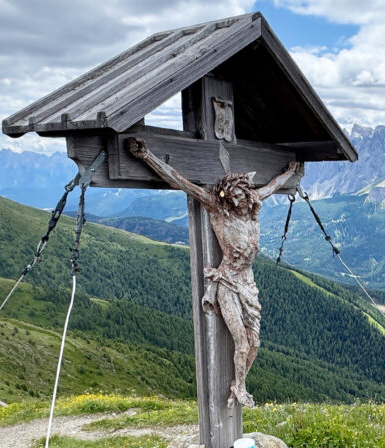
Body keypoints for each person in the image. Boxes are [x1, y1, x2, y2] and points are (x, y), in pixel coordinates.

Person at [127, 137, 301, 407]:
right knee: (242, 342)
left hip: (248, 283)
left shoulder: (254, 205)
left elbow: (273, 185)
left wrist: (290, 172)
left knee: (254, 342)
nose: (238, 201)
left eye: (241, 196)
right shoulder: (217, 209)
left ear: (247, 193)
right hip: (227, 282)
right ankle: (239, 389)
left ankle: (238, 383)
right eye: (233, 198)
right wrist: (147, 156)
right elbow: (180, 181)